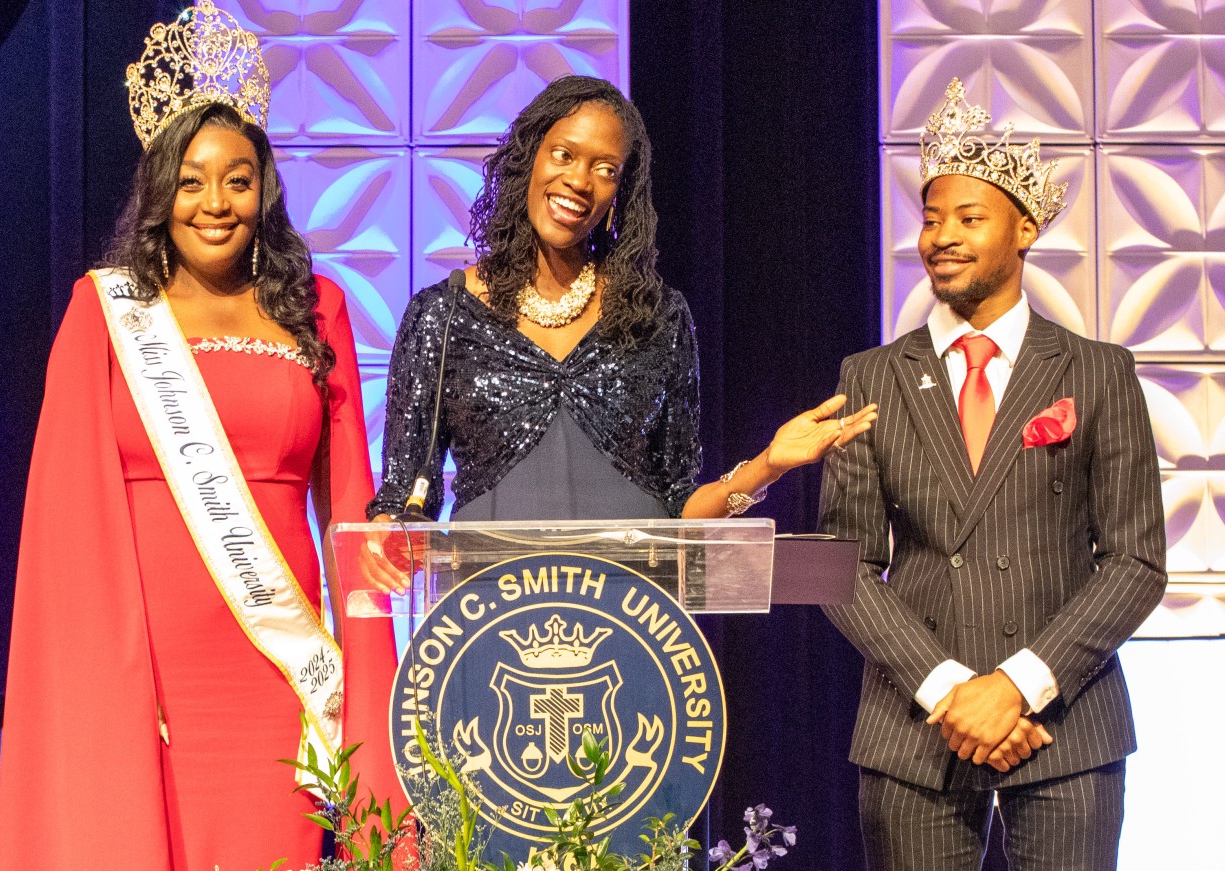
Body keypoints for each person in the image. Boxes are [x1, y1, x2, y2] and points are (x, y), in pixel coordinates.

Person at [0, 4, 395, 871]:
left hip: (278, 676)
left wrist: (368, 672)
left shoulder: (325, 313)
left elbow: (353, 520)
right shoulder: (106, 309)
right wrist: (111, 676)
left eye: (239, 179)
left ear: (266, 191)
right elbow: (66, 520)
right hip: (148, 673)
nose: (216, 203)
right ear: (160, 192)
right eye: (193, 180)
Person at [818, 79, 1166, 871]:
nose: (940, 238)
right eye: (929, 219)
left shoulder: (1097, 372)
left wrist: (1015, 683)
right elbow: (843, 565)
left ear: (1023, 231)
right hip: (914, 723)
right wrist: (947, 690)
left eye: (967, 217)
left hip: (1064, 720)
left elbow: (1137, 560)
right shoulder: (871, 379)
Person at [367, 75, 872, 538]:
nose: (579, 181)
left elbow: (680, 511)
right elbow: (403, 498)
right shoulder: (444, 314)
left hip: (631, 615)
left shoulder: (657, 319)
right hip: (496, 613)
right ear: (529, 160)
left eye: (605, 169)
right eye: (563, 155)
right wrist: (387, 535)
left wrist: (769, 464)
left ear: (620, 194)